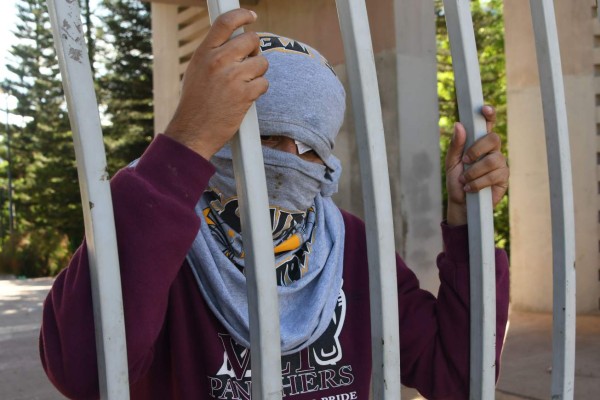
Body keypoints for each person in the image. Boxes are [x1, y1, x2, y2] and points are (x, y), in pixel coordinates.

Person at [39, 9, 510, 400]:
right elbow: (86, 372)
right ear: (219, 134)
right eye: (266, 136)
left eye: (311, 148)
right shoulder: (158, 235)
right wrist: (182, 145)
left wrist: (467, 224)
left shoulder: (351, 244)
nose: (289, 160)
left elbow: (457, 377)